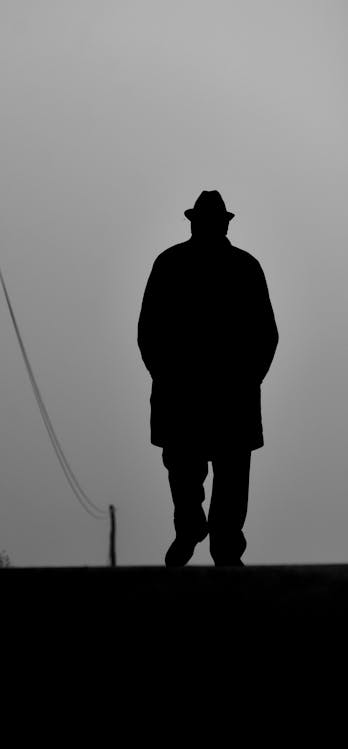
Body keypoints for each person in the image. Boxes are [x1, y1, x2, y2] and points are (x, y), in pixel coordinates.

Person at [137, 190, 279, 566]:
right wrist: (165, 376)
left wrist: (249, 380)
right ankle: (195, 529)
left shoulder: (182, 264)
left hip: (212, 394)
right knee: (191, 472)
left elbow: (266, 335)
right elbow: (149, 331)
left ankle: (221, 544)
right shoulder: (181, 264)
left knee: (217, 475)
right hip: (198, 394)